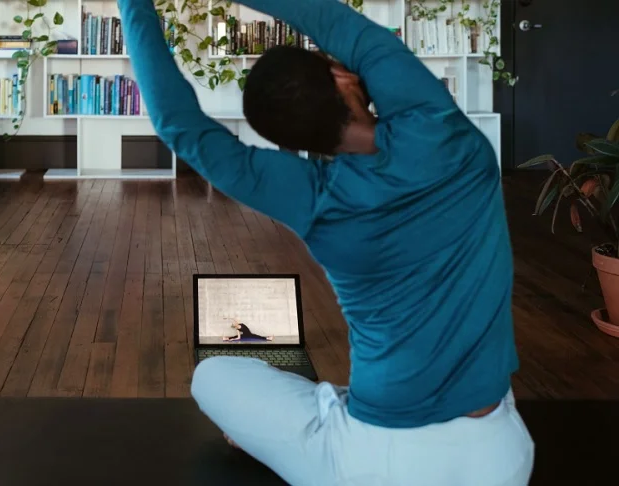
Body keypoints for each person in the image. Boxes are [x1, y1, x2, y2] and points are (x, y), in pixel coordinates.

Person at [117, 0, 534, 485]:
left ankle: (323, 409)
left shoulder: (317, 199)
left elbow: (178, 125)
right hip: (500, 458)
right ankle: (331, 405)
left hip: (375, 461)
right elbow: (330, 19)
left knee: (213, 377)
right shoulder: (443, 130)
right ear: (341, 78)